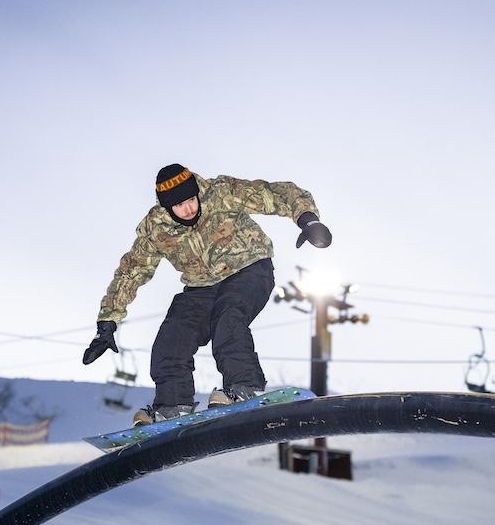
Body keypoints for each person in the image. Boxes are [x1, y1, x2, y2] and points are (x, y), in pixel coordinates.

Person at [83, 164, 333, 425]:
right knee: (172, 339)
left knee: (228, 320)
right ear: (166, 206)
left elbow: (276, 193)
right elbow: (131, 271)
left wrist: (308, 220)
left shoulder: (221, 192)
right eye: (179, 205)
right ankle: (172, 405)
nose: (189, 209)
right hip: (201, 287)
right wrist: (107, 322)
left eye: (191, 200)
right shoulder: (155, 228)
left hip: (248, 268)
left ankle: (245, 386)